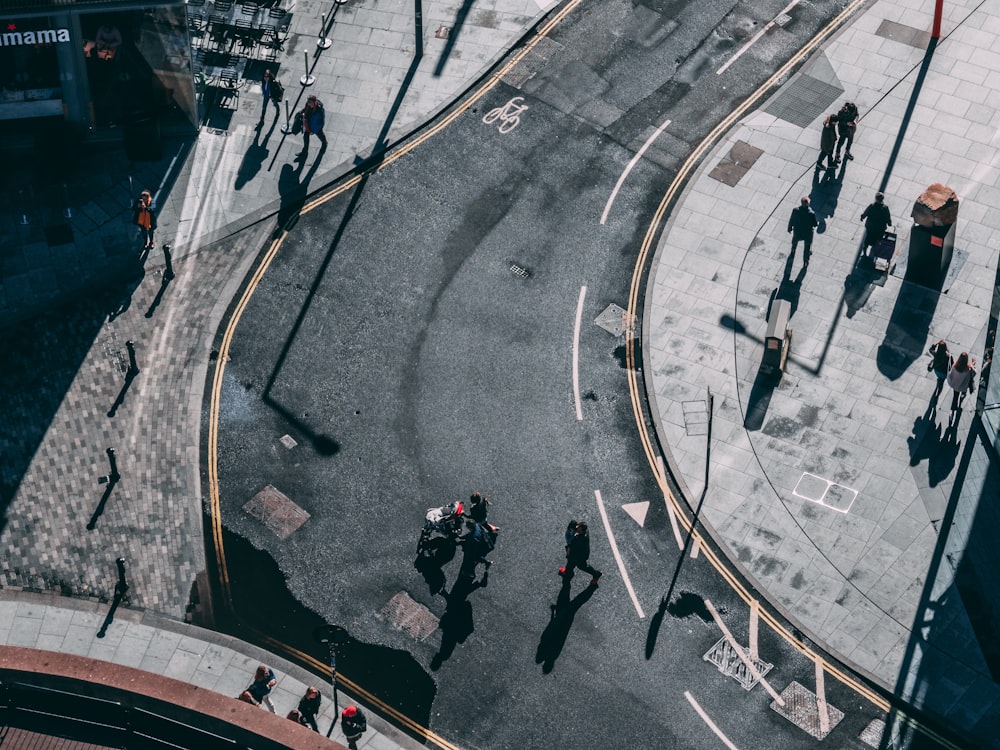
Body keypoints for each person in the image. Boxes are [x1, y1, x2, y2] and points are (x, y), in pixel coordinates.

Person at [559, 521, 602, 587]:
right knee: (570, 564)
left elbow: (571, 547)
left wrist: (568, 554)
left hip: (579, 556)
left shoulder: (578, 540)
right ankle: (568, 572)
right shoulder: (585, 531)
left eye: (578, 528)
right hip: (582, 553)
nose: (576, 529)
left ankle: (596, 574)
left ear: (581, 531)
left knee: (582, 566)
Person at [860, 192, 891, 256]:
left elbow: (866, 212)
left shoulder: (872, 206)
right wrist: (889, 223)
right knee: (877, 240)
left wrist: (862, 217)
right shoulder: (885, 208)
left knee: (867, 239)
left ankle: (865, 252)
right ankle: (874, 251)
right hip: (880, 228)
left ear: (876, 199)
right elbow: (888, 217)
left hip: (870, 227)